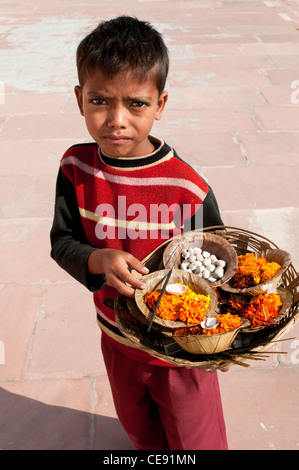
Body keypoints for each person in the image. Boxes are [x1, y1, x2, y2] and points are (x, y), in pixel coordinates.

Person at [50, 16, 228, 450]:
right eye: (99, 100)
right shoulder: (76, 170)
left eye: (136, 104)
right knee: (141, 432)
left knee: (195, 441)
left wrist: (208, 335)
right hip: (117, 339)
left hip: (180, 352)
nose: (116, 120)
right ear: (79, 99)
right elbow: (63, 241)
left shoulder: (187, 187)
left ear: (160, 104)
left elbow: (221, 268)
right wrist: (97, 258)